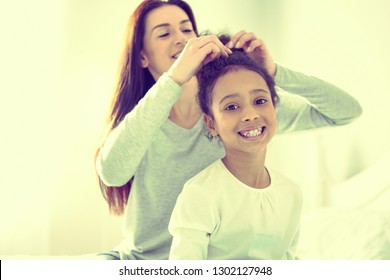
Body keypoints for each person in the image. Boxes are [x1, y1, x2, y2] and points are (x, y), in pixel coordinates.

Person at [95, 0, 362, 260]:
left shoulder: (236, 113)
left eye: (187, 29)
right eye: (164, 33)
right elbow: (112, 173)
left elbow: (346, 111)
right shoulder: (144, 120)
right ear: (142, 56)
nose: (181, 39)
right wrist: (174, 79)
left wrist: (272, 71)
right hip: (141, 261)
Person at [168, 44, 302, 260]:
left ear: (274, 108)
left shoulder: (291, 193)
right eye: (231, 106)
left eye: (260, 101)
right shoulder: (200, 194)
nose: (250, 115)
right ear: (211, 123)